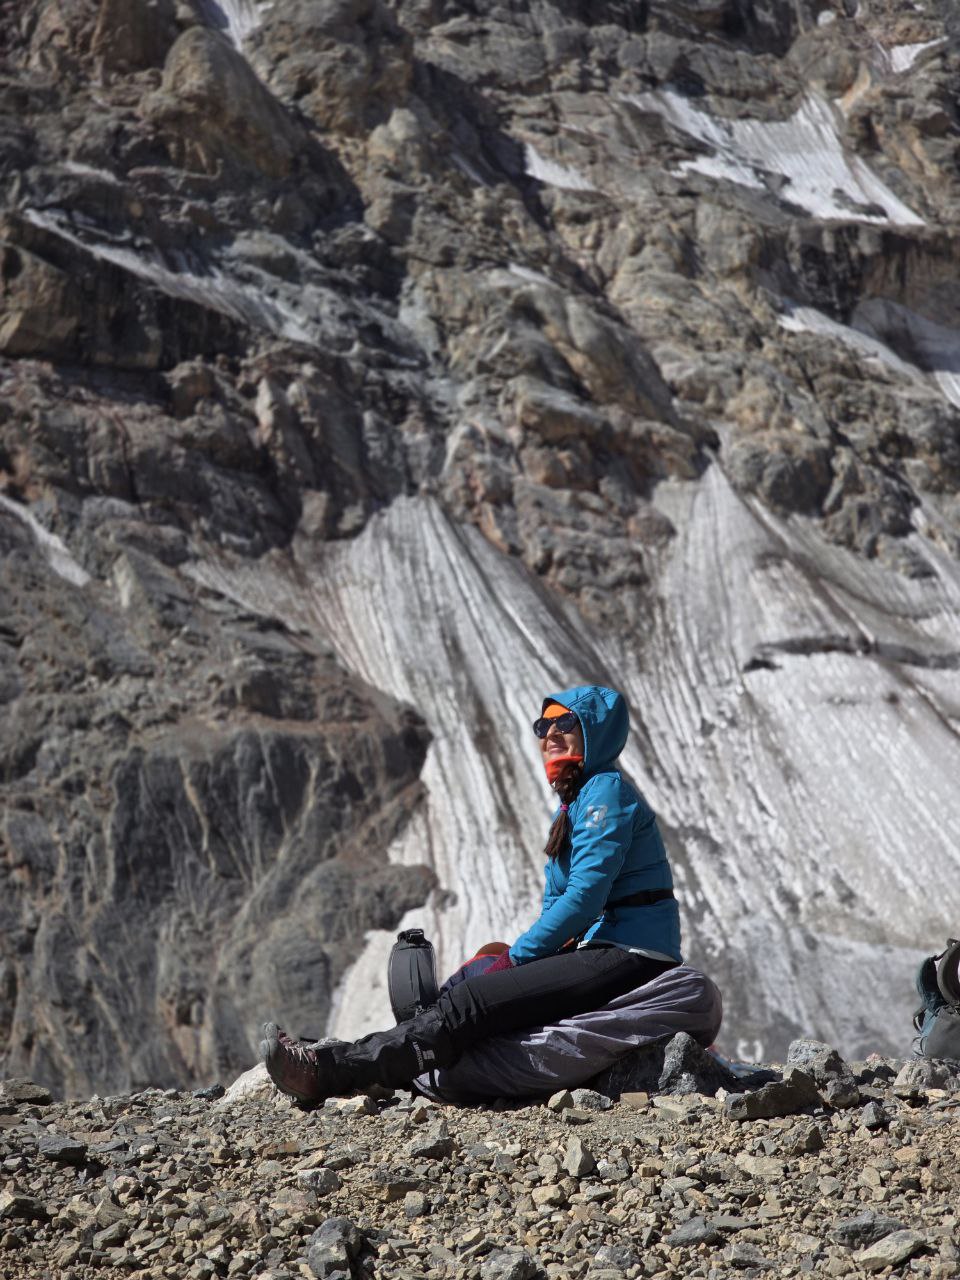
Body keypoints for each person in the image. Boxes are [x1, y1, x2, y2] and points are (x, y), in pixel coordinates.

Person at [261, 684, 682, 1105]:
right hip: (605, 947)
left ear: (595, 730)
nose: (551, 733)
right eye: (543, 726)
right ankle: (366, 1061)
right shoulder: (577, 801)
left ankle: (329, 1071)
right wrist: (519, 961)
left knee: (474, 999)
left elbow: (583, 899)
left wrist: (517, 959)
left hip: (632, 951)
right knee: (479, 972)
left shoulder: (605, 792)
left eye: (566, 722)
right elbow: (560, 900)